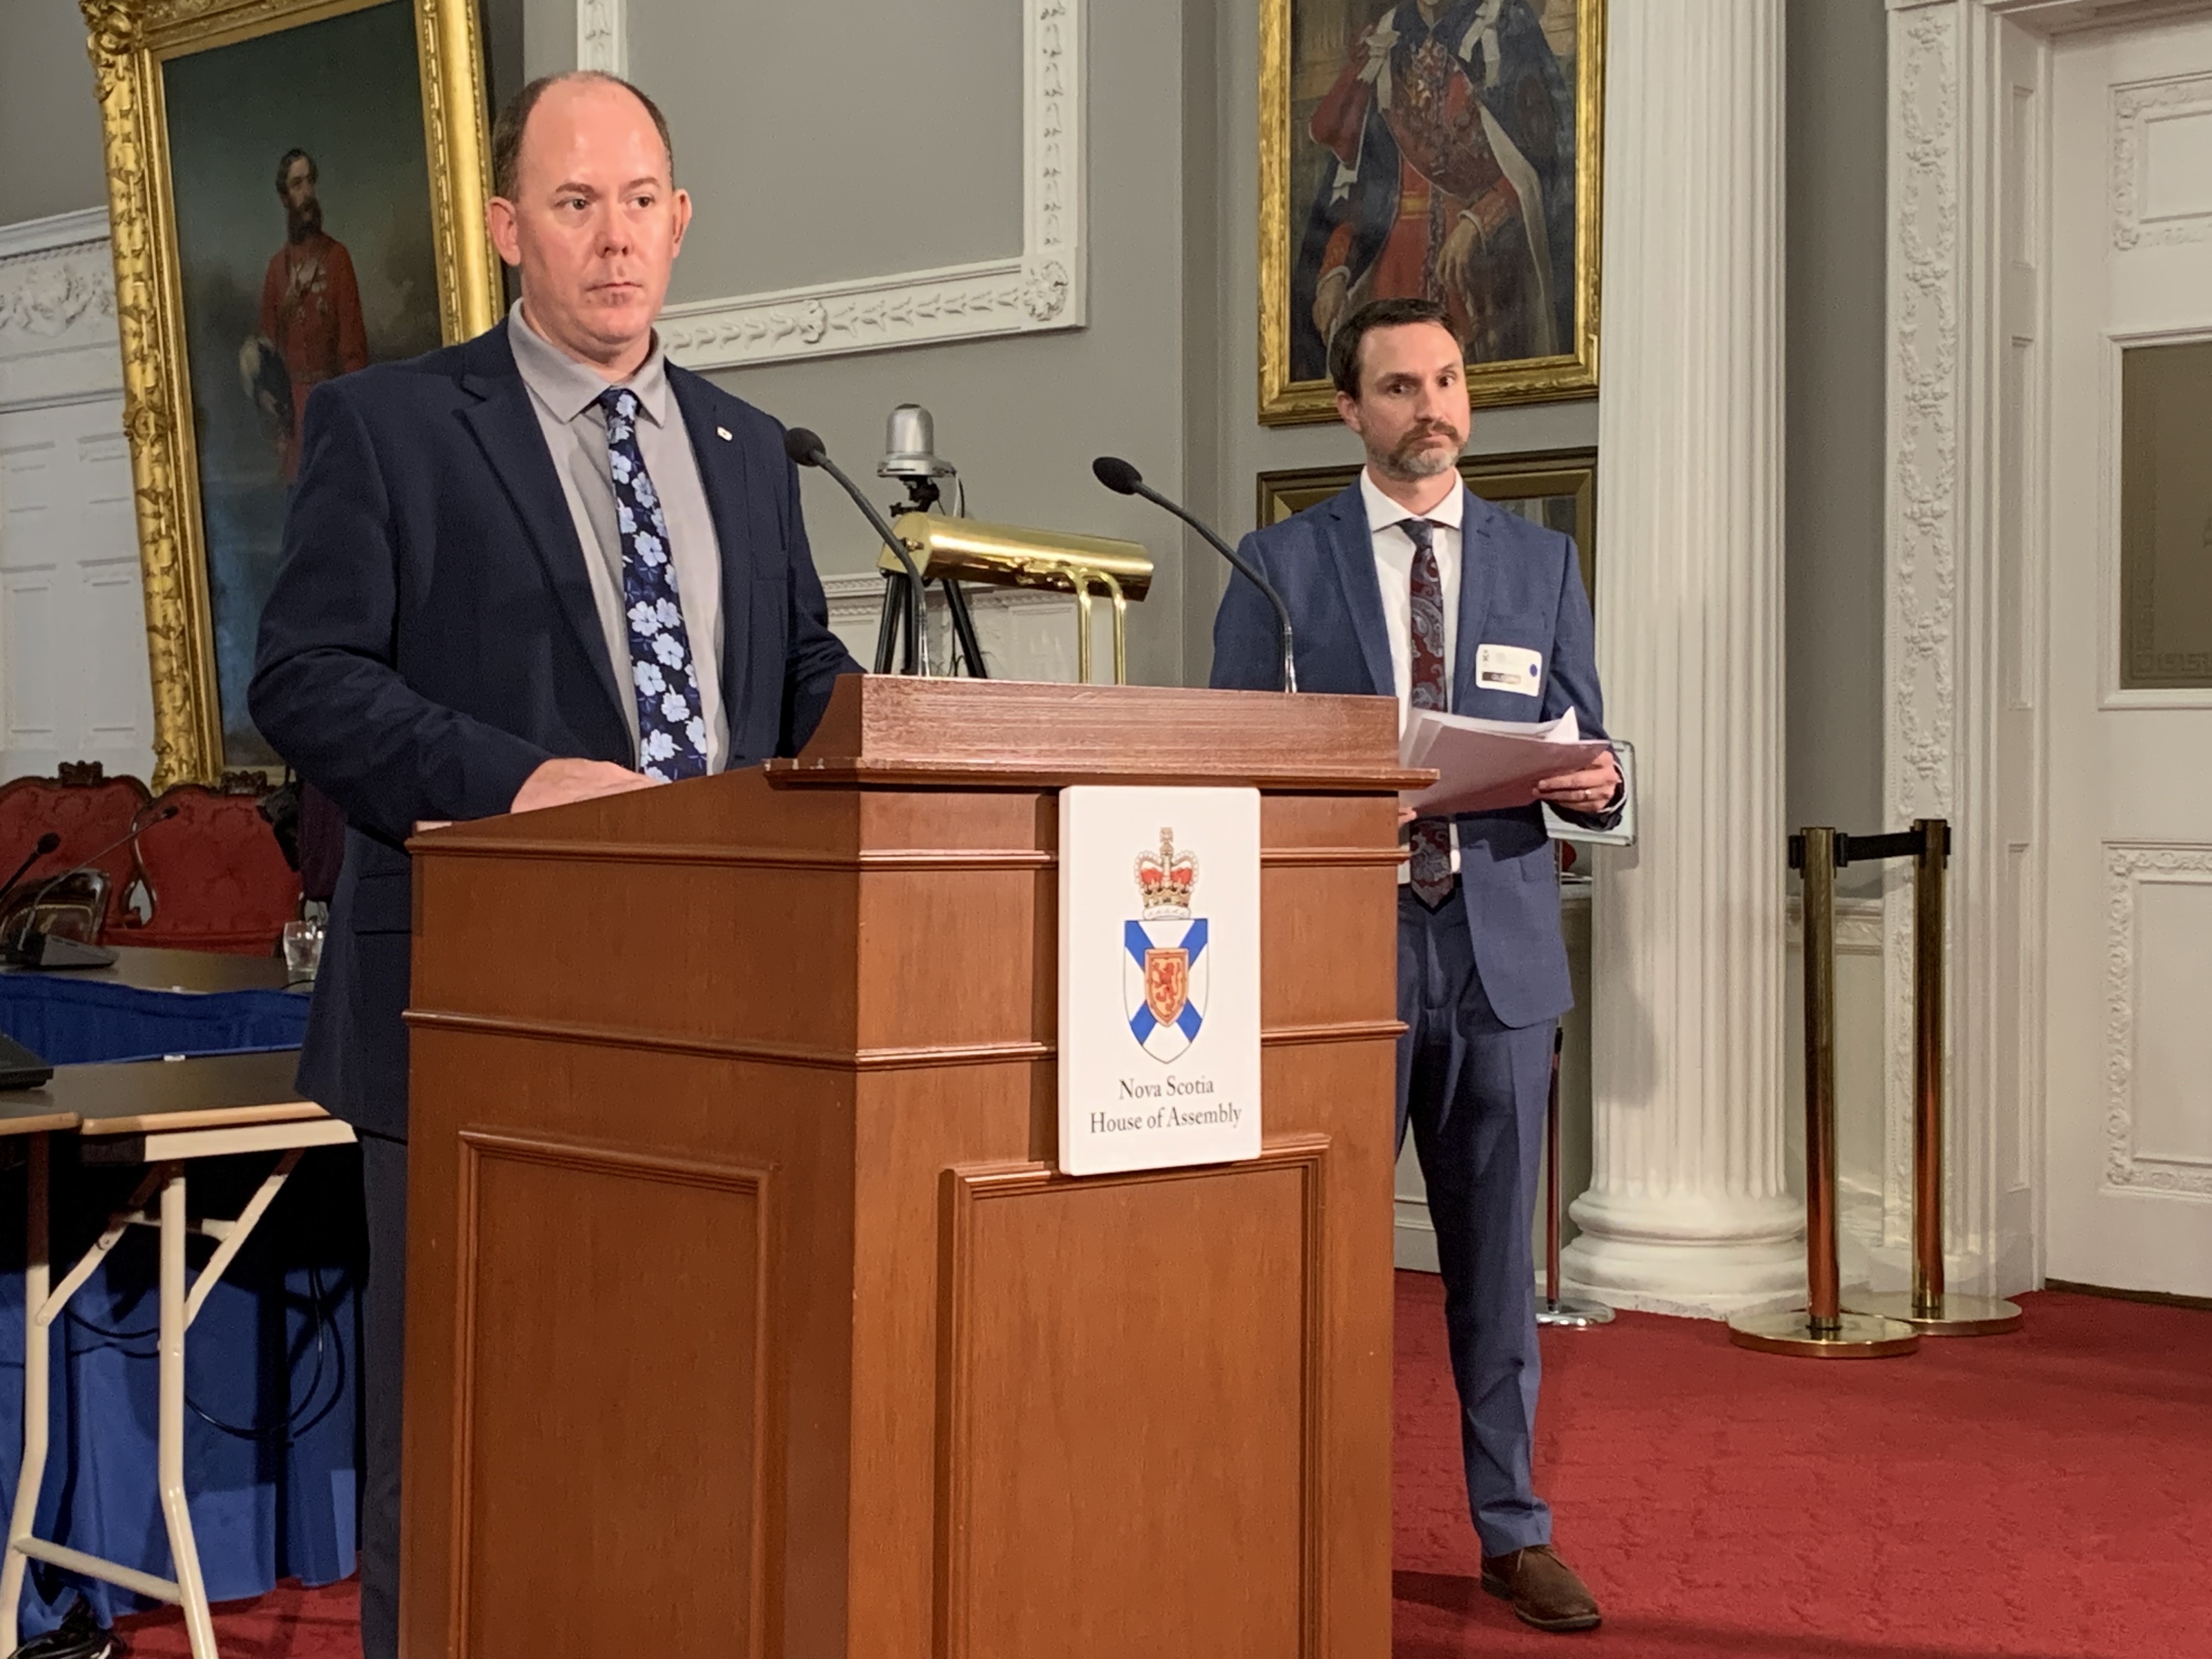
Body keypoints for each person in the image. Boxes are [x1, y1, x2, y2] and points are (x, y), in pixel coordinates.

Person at [249, 71, 860, 1659]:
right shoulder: (391, 425)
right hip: (473, 1016)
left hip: (728, 1017)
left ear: (683, 220)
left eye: (641, 201)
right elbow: (305, 676)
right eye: (576, 205)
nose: (615, 238)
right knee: (465, 1443)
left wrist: (905, 736)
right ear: (510, 228)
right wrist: (514, 783)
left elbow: (793, 682)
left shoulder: (749, 448)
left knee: (678, 1425)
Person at [1210, 295, 1618, 1634]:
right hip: (1345, 956)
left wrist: (1604, 784)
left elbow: (1587, 744)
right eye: (1399, 386)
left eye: (1447, 381)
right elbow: (1228, 759)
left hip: (1500, 963)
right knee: (1322, 1268)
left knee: (1497, 1272)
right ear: (1349, 409)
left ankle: (1514, 1531)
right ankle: (1302, 1522)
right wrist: (1335, 800)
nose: (1431, 406)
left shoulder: (1539, 563)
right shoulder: (1280, 564)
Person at [1294, 0, 1575, 380]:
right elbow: (1360, 183)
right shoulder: (1388, 37)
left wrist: (1478, 223)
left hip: (1484, 269)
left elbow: (1543, 160)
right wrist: (1335, 272)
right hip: (1394, 272)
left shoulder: (1503, 22)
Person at [254, 149, 369, 482]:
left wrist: (354, 416)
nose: (306, 193)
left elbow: (354, 351)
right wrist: (269, 401)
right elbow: (267, 349)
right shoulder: (276, 270)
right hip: (292, 424)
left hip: (332, 408)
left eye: (309, 182)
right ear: (284, 197)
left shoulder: (337, 258)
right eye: (297, 185)